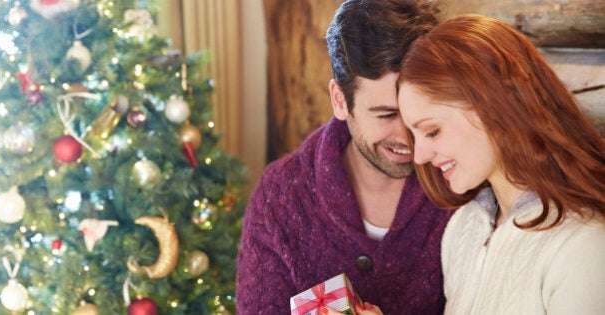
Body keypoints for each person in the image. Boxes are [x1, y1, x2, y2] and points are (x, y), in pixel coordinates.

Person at [343, 14, 605, 315]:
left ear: (492, 106)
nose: (419, 156)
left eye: (432, 131)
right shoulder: (463, 227)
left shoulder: (585, 248)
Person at [236, 0, 454, 314]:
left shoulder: (459, 181)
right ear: (340, 100)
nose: (408, 137)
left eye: (417, 113)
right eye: (386, 115)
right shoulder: (280, 195)